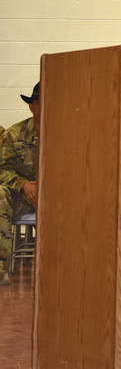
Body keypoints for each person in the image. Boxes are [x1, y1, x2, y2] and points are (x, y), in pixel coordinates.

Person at [0, 82, 41, 286]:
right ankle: (1, 268)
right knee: (0, 195)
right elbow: (2, 170)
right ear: (32, 106)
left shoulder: (71, 133)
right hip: (24, 197)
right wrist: (23, 185)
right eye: (39, 103)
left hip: (62, 197)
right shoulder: (14, 135)